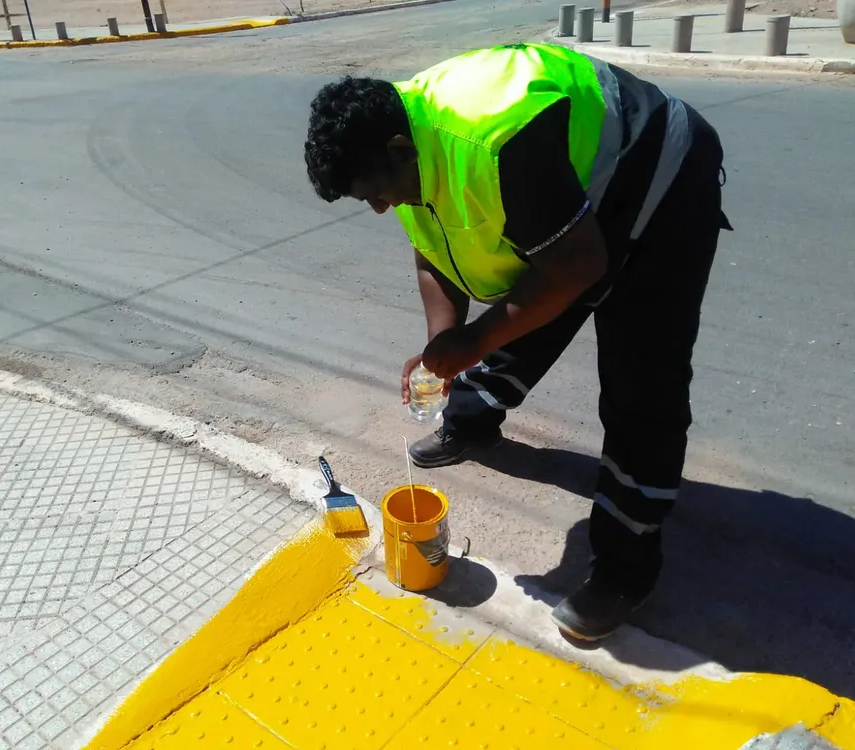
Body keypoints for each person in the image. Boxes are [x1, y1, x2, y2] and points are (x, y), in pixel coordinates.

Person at [303, 42, 732, 641]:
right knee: (520, 306)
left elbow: (575, 266)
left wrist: (475, 338)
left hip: (659, 175)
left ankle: (626, 568)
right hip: (567, 204)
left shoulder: (496, 141)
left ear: (400, 150)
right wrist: (444, 344)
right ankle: (472, 420)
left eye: (375, 192)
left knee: (640, 380)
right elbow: (433, 252)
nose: (379, 208)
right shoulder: (402, 151)